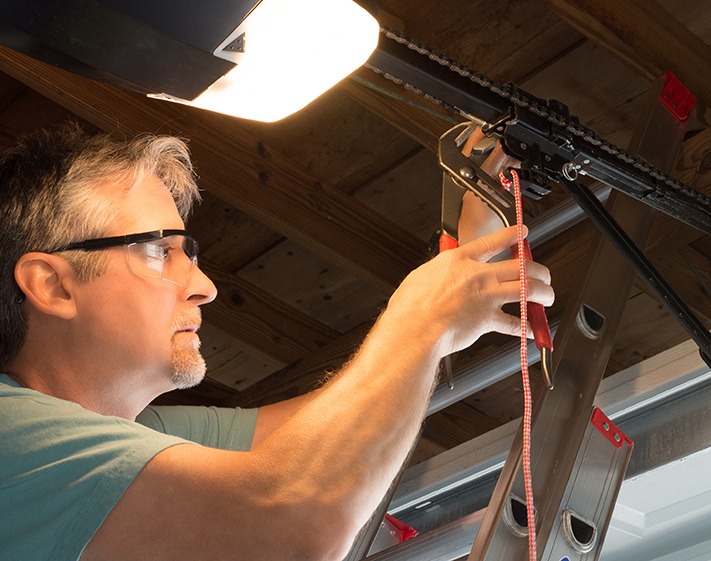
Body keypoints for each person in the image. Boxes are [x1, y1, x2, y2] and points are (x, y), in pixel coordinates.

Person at [0, 123, 553, 561]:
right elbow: (296, 521)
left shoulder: (138, 435)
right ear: (53, 284)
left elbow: (343, 426)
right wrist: (422, 321)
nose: (205, 286)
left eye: (188, 253)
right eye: (158, 251)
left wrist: (457, 269)